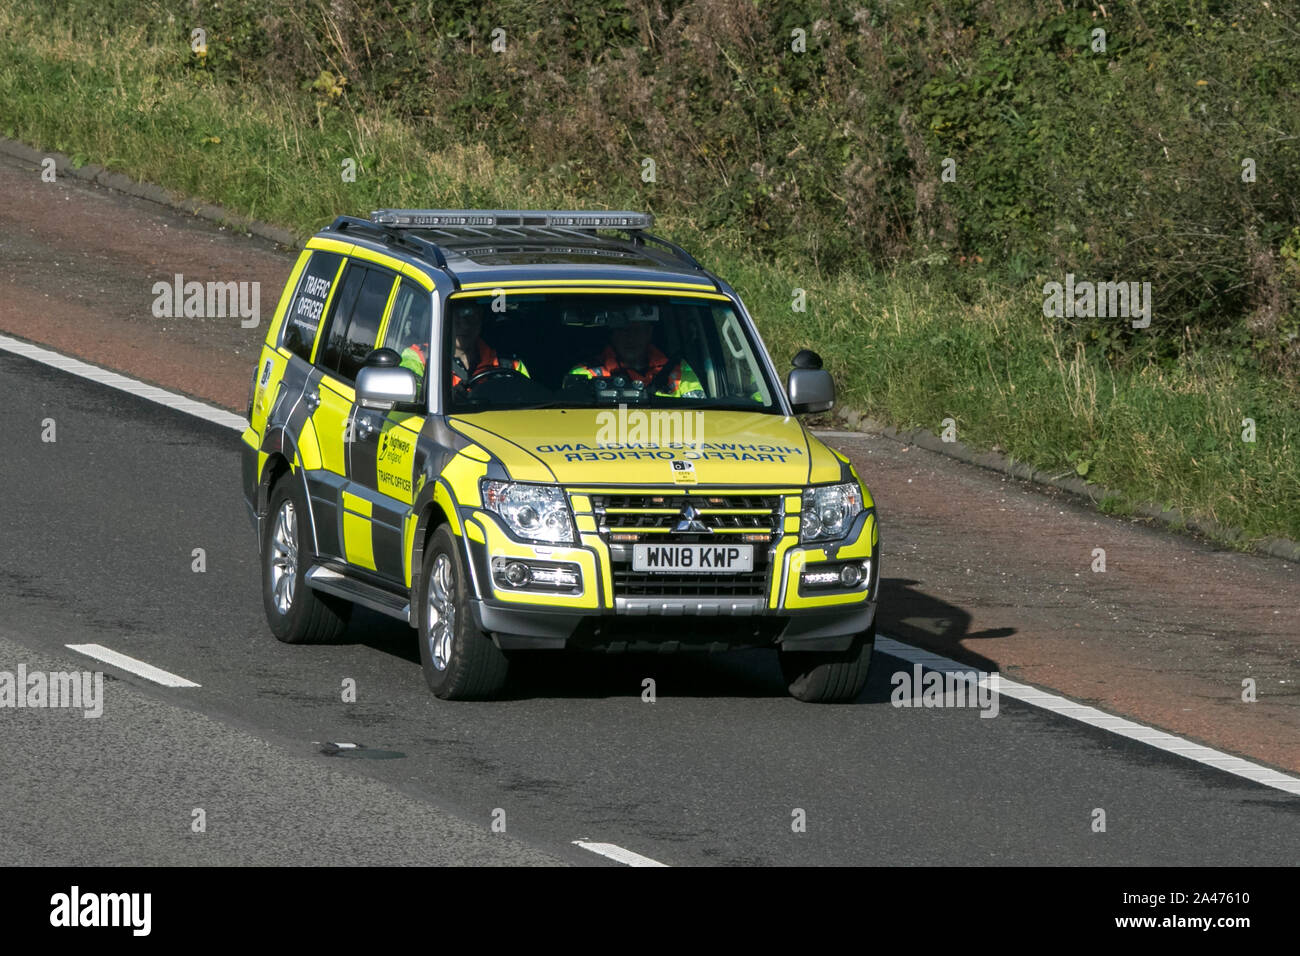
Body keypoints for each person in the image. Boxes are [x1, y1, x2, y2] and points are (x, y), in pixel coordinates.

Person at [567, 303, 705, 398]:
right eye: (623, 330)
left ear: (649, 333)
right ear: (612, 335)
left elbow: (699, 420)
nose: (630, 337)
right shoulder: (585, 373)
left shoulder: (678, 369)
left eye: (637, 330)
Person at [400, 299, 528, 388]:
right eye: (456, 319)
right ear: (443, 321)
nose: (465, 326)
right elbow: (406, 394)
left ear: (481, 321)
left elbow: (527, 398)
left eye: (471, 318)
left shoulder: (509, 363)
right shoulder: (419, 359)